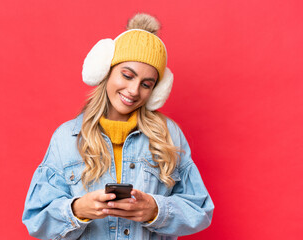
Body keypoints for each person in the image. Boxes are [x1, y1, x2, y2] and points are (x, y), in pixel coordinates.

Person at [22, 13, 214, 240]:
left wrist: (155, 210)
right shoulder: (66, 138)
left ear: (156, 92)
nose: (133, 91)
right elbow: (36, 219)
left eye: (146, 84)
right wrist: (78, 210)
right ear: (106, 71)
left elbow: (200, 210)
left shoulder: (169, 135)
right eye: (127, 75)